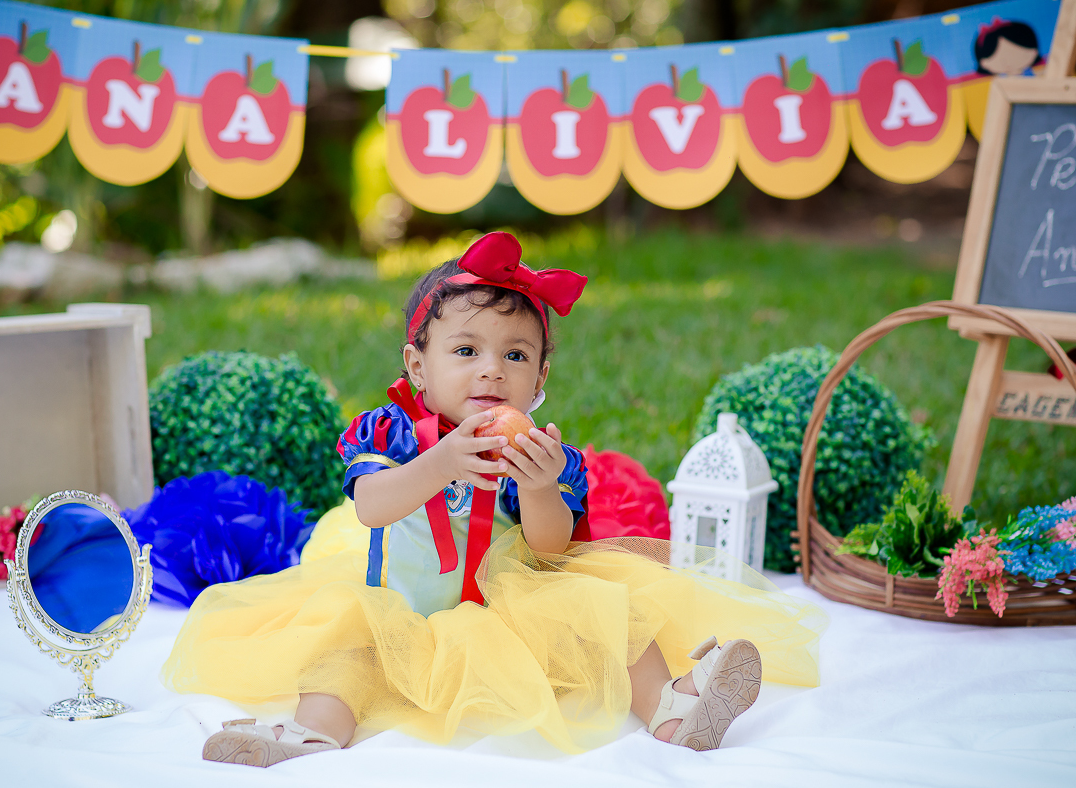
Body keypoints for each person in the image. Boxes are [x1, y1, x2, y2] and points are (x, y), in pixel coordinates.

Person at [163, 231, 826, 766]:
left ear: (539, 377)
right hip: (396, 602)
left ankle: (672, 709)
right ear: (418, 367)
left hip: (501, 604)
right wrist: (442, 459)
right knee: (343, 643)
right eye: (466, 349)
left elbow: (550, 546)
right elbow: (373, 506)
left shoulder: (538, 449)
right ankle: (308, 738)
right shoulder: (392, 432)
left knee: (605, 606)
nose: (491, 369)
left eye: (515, 355)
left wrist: (538, 485)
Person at [973, 17, 1044, 77]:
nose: (1010, 62)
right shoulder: (998, 81)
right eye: (1002, 61)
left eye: (1018, 55)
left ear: (1034, 51)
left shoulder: (1035, 72)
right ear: (983, 64)